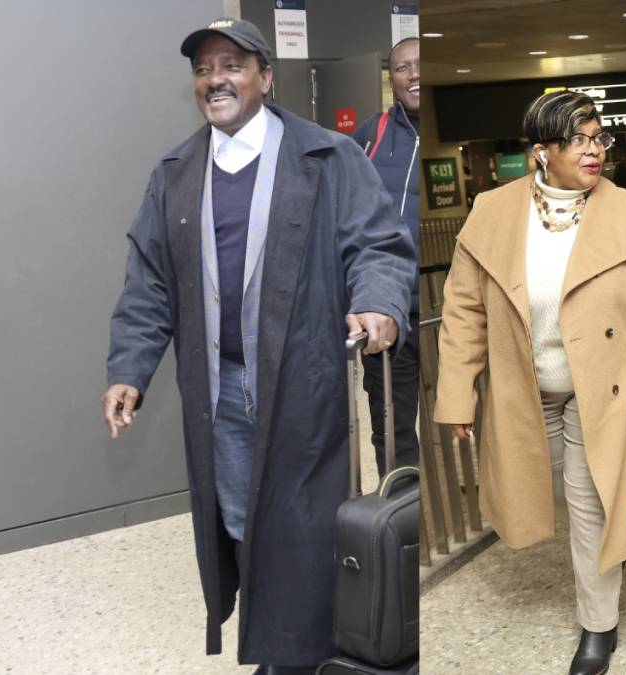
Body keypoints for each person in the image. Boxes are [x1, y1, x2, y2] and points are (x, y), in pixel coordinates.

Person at [101, 18, 416, 672]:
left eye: (232, 66)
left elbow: (377, 244)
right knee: (243, 520)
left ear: (266, 78)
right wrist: (129, 369)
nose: (215, 80)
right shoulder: (176, 174)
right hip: (219, 389)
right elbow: (149, 283)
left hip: (305, 381)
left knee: (305, 524)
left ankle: (301, 652)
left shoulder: (328, 156)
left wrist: (379, 301)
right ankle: (280, 644)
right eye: (203, 69)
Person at [433, 91, 626, 675]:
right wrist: (456, 393)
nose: (593, 150)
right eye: (576, 140)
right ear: (541, 152)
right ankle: (609, 553)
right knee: (540, 493)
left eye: (598, 138)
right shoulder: (492, 212)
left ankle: (598, 625)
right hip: (525, 389)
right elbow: (464, 311)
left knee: (591, 505)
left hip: (605, 390)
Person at [353, 36, 422, 473]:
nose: (414, 75)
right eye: (402, 67)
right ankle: (401, 507)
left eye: (421, 63)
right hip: (389, 315)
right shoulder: (370, 136)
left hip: (448, 314)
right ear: (391, 78)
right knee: (392, 432)